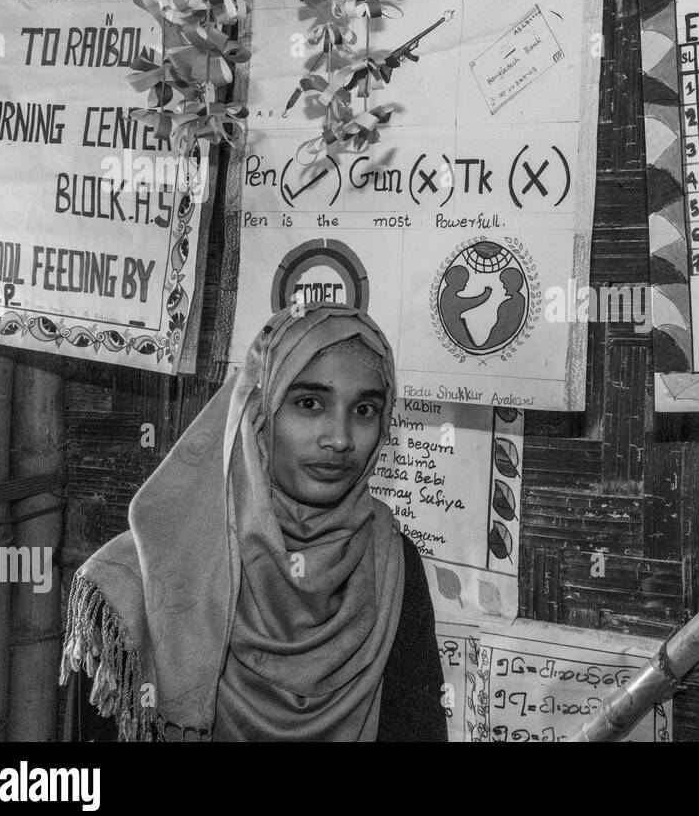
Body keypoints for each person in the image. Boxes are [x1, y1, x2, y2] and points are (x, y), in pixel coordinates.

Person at [60, 304, 446, 741]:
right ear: (258, 415)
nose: (340, 438)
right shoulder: (136, 582)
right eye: (309, 403)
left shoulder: (389, 563)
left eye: (364, 410)